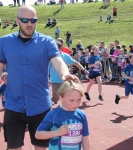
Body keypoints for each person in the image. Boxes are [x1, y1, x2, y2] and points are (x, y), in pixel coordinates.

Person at [0, 5, 78, 150]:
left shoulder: (47, 42)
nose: (29, 24)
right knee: (13, 148)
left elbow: (57, 61)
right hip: (13, 106)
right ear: (17, 21)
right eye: (25, 20)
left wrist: (64, 74)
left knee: (41, 148)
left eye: (33, 20)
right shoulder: (4, 42)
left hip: (40, 106)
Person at [35, 80, 90, 150]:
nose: (76, 103)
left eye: (79, 100)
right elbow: (38, 135)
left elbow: (85, 136)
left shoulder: (81, 115)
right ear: (61, 98)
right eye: (72, 100)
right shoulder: (53, 115)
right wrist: (57, 132)